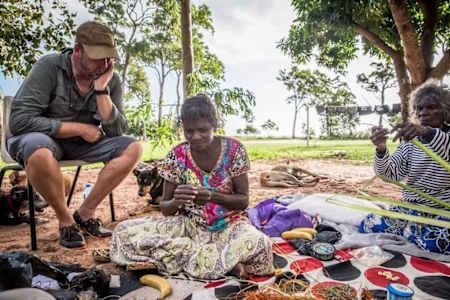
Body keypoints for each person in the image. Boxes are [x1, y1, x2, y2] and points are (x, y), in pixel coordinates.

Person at [7, 21, 143, 248]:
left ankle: (85, 214)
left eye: (109, 57)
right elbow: (20, 121)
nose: (105, 63)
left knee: (134, 147)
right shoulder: (50, 66)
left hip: (82, 146)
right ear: (78, 50)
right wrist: (79, 128)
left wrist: (101, 90)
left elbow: (117, 131)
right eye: (98, 57)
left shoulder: (110, 79)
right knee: (39, 151)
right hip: (42, 141)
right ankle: (66, 221)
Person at [110, 94, 274, 279]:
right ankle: (221, 262)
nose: (195, 137)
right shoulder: (176, 156)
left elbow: (243, 201)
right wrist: (177, 200)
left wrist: (212, 196)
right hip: (188, 226)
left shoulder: (235, 150)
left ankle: (196, 258)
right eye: (189, 131)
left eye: (203, 130)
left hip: (230, 226)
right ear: (183, 128)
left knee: (261, 244)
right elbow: (165, 209)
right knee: (122, 232)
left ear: (215, 125)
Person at [361, 80, 450, 254]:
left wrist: (426, 133)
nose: (422, 112)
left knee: (439, 242)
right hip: (413, 209)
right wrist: (381, 148)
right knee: (369, 223)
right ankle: (415, 232)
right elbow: (390, 174)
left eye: (430, 107)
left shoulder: (445, 136)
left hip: (443, 210)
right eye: (418, 108)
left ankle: (411, 232)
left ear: (445, 109)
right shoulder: (411, 141)